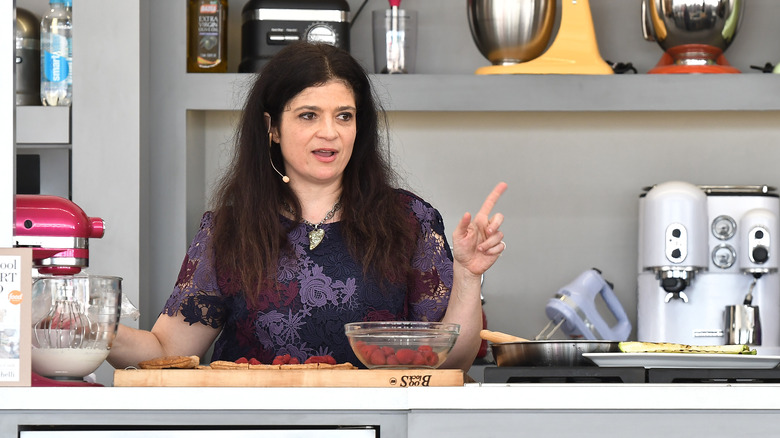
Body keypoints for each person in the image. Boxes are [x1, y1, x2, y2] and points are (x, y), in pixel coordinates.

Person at [107, 42, 506, 372]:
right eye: (308, 115)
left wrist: (468, 276)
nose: (329, 132)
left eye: (344, 116)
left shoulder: (409, 221)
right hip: (251, 428)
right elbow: (166, 350)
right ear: (272, 128)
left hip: (377, 425)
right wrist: (90, 330)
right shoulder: (230, 229)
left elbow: (452, 361)